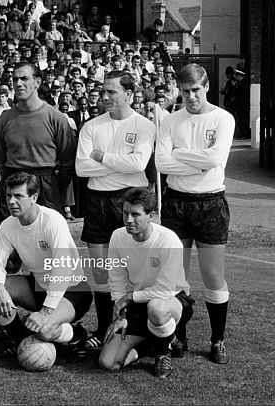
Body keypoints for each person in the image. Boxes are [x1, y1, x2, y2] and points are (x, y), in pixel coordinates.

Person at [155, 63, 235, 364]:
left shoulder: (223, 118)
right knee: (177, 275)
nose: (190, 97)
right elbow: (162, 163)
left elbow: (216, 159)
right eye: (185, 91)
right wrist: (198, 162)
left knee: (214, 277)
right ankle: (179, 337)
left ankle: (217, 340)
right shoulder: (171, 121)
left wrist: (179, 154)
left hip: (211, 202)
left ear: (207, 88)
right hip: (176, 202)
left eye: (196, 91)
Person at [75, 70, 155, 351]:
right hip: (97, 200)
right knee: (101, 271)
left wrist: (102, 157)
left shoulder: (144, 126)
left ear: (129, 95)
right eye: (103, 91)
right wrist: (119, 163)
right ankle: (102, 326)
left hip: (130, 199)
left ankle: (133, 325)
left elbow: (138, 165)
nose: (104, 96)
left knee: (132, 269)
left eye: (111, 91)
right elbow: (81, 168)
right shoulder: (91, 126)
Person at [0, 172, 92, 356]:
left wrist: (46, 312)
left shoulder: (52, 221)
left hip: (73, 290)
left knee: (44, 330)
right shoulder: (8, 225)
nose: (11, 201)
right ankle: (19, 340)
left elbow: (62, 270)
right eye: (9, 195)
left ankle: (77, 335)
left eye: (18, 196)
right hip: (38, 286)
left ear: (34, 198)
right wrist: (0, 288)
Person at [98, 188, 194, 378]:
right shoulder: (118, 236)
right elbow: (116, 278)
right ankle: (158, 342)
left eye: (135, 214)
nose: (129, 220)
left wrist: (129, 297)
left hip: (172, 300)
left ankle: (162, 352)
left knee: (156, 309)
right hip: (137, 302)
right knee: (108, 362)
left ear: (151, 215)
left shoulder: (168, 240)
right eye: (125, 213)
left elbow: (165, 290)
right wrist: (120, 313)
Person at [0, 61, 75, 225]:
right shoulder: (4, 119)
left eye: (24, 78)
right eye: (15, 80)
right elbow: (0, 158)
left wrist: (54, 185)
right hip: (13, 179)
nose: (18, 84)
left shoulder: (56, 118)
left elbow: (68, 160)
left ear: (37, 82)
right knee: (11, 243)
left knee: (47, 241)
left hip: (46, 184)